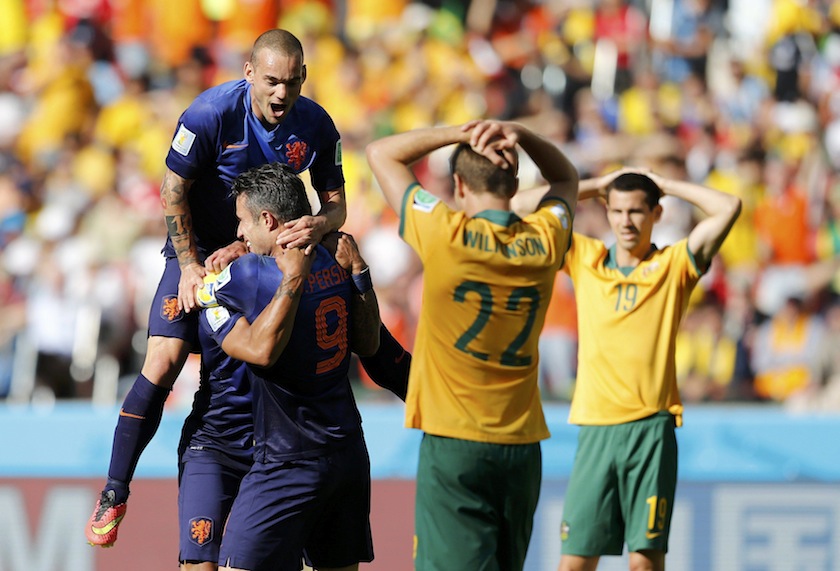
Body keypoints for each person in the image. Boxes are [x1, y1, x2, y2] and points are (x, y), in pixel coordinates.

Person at [85, 28, 409, 556]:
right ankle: (115, 490)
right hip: (199, 247)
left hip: (263, 246)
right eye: (272, 81)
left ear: (304, 79)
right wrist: (190, 266)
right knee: (165, 361)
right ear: (248, 72)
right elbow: (173, 192)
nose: (282, 94)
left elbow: (336, 206)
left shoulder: (317, 124)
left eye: (293, 82)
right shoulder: (208, 114)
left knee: (274, 361)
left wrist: (316, 226)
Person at [365, 119, 579, 570]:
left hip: (455, 440)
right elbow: (565, 178)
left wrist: (459, 132)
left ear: (459, 185)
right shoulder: (543, 238)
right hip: (521, 444)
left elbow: (382, 153)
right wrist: (524, 134)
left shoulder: (444, 232)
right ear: (516, 182)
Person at [555, 168, 741, 571]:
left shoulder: (675, 265)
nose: (626, 221)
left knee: (643, 562)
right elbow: (518, 208)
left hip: (651, 430)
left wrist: (666, 183)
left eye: (637, 211)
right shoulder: (585, 258)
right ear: (605, 211)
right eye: (617, 210)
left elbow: (729, 207)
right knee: (574, 564)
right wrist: (599, 185)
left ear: (656, 213)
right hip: (596, 428)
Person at [201, 162, 380, 571]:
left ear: (268, 219)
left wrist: (216, 271)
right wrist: (360, 273)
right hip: (348, 450)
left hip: (287, 460)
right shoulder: (339, 256)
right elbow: (368, 345)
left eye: (243, 223)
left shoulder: (250, 274)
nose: (239, 235)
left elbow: (255, 347)